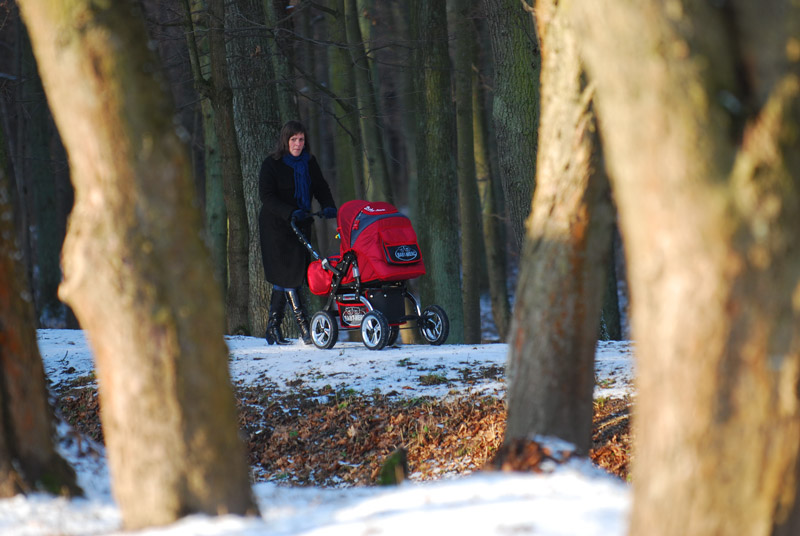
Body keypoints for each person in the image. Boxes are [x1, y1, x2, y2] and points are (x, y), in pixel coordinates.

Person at [259, 120, 337, 345]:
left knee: (288, 277)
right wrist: (290, 212)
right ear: (285, 140)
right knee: (289, 276)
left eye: (301, 139)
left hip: (300, 223)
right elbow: (267, 196)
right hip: (276, 226)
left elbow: (321, 187)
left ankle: (273, 327)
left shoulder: (309, 163)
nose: (298, 144)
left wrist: (328, 205)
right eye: (293, 139)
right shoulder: (271, 164)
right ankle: (305, 328)